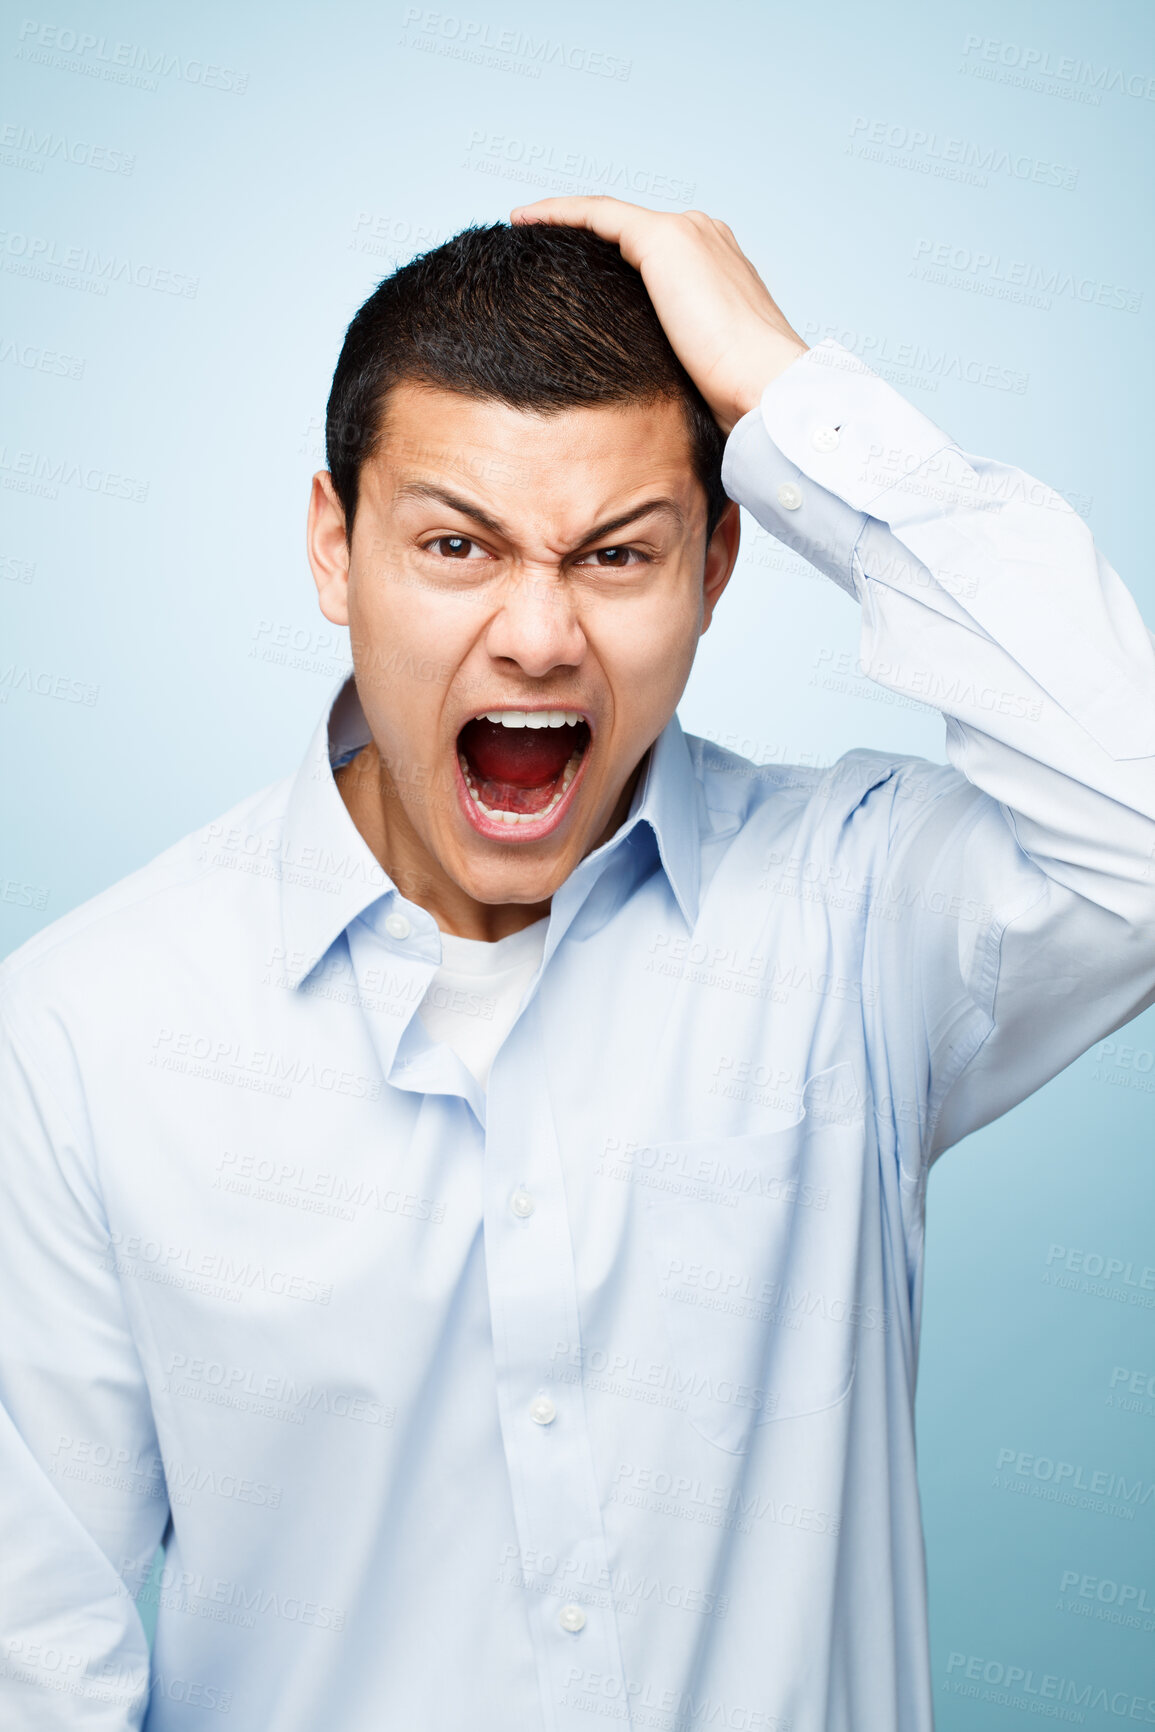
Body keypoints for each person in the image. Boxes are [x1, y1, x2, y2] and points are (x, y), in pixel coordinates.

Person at [1, 196, 1152, 1732]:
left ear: (719, 565)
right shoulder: (87, 1031)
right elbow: (36, 1663)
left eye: (617, 555)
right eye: (456, 544)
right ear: (336, 549)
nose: (539, 635)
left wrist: (786, 389)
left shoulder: (853, 915)